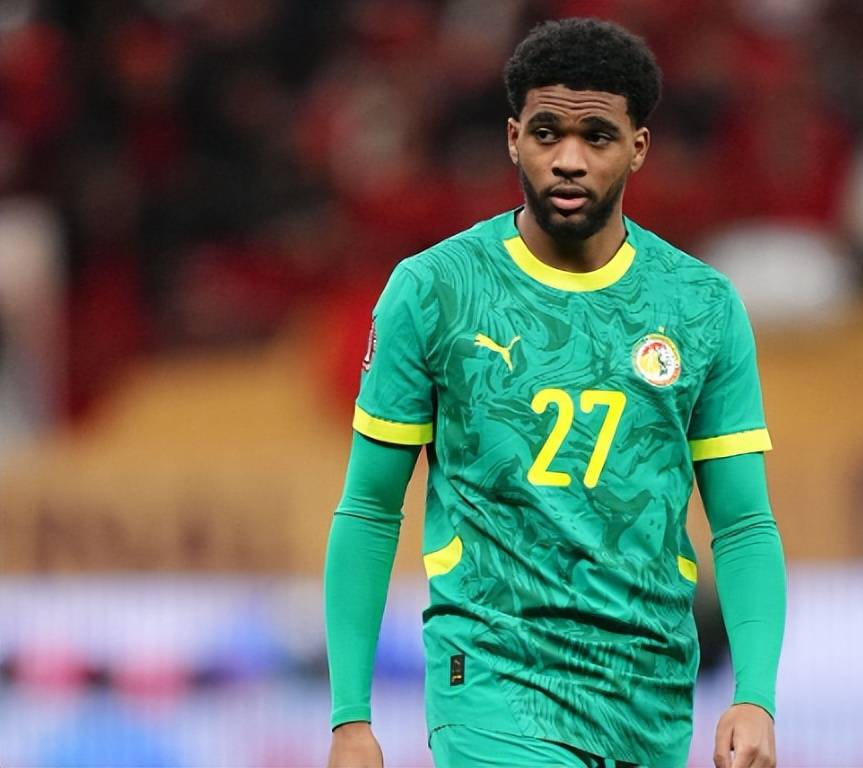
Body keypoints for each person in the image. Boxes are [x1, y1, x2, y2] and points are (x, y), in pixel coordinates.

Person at [324, 18, 786, 768]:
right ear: (514, 139)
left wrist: (755, 695)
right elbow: (371, 506)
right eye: (547, 133)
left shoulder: (701, 306)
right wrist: (350, 717)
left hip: (648, 693)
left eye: (597, 137)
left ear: (638, 146)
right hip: (493, 678)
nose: (569, 160)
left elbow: (742, 524)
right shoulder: (434, 290)